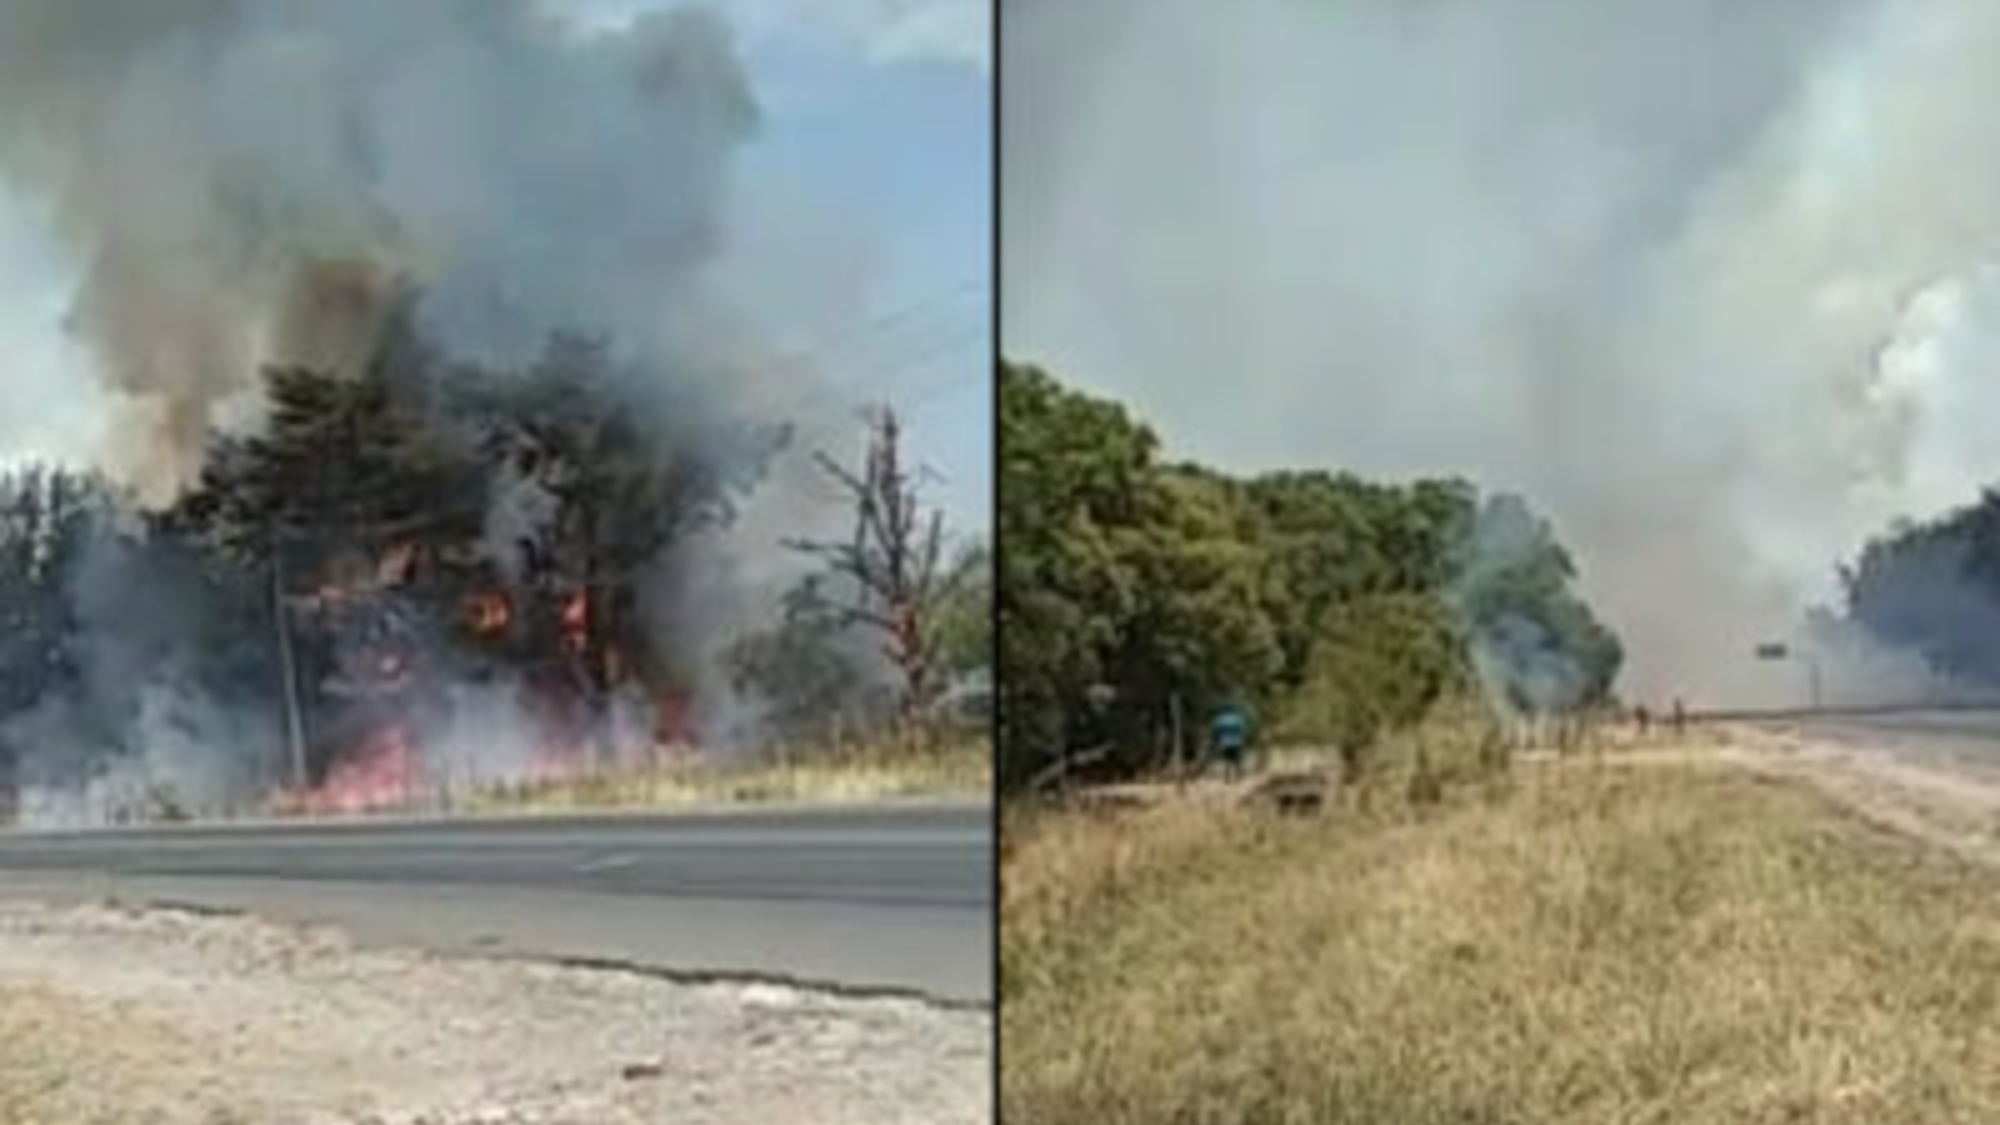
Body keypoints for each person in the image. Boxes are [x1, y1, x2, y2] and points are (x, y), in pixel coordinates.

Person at [1211, 703, 1251, 780]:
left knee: (1227, 760)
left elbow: (1216, 731)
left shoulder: (1220, 719)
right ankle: (1238, 776)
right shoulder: (1238, 718)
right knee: (1237, 760)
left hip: (1225, 741)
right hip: (1237, 741)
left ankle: (1227, 777)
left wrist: (1216, 740)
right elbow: (1243, 730)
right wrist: (1244, 739)